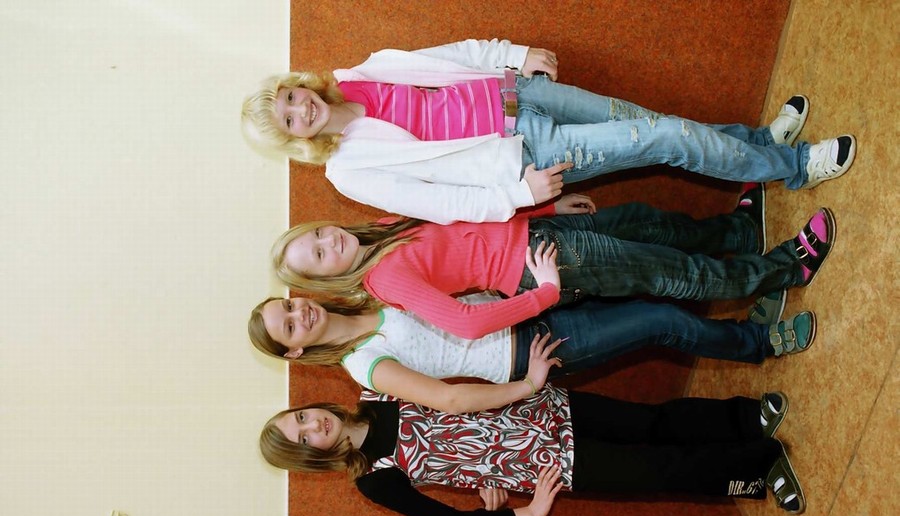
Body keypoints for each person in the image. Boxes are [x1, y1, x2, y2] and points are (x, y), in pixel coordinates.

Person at [241, 38, 856, 223]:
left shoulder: (360, 73)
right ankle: (795, 167)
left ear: (297, 84)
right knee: (662, 139)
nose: (300, 110)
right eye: (288, 120)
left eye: (290, 97)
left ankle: (760, 144)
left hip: (523, 94)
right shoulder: (348, 170)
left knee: (648, 122)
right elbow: (440, 204)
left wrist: (513, 55)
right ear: (293, 140)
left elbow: (451, 57)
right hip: (532, 151)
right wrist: (518, 194)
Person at [269, 183, 836, 338]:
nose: (328, 243)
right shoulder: (385, 277)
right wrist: (542, 295)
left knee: (651, 223)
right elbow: (464, 324)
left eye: (317, 234)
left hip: (541, 230)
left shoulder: (380, 232)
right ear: (325, 281)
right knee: (671, 273)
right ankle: (787, 268)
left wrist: (544, 207)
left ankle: (739, 230)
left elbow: (469, 217)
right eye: (317, 257)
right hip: (545, 263)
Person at [259, 380, 806, 516]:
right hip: (546, 466)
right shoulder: (373, 480)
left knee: (652, 422)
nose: (313, 426)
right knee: (663, 471)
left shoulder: (375, 389)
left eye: (301, 417)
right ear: (312, 458)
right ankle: (757, 470)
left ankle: (746, 418)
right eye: (302, 439)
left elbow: (455, 380)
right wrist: (525, 514)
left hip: (542, 405)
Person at [247, 287, 816, 412]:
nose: (301, 315)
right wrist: (526, 385)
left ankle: (745, 330)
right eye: (289, 328)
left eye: (289, 307)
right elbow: (447, 399)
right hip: (529, 349)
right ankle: (763, 341)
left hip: (523, 304)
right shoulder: (363, 365)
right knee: (658, 322)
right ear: (295, 352)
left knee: (651, 300)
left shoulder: (361, 292)